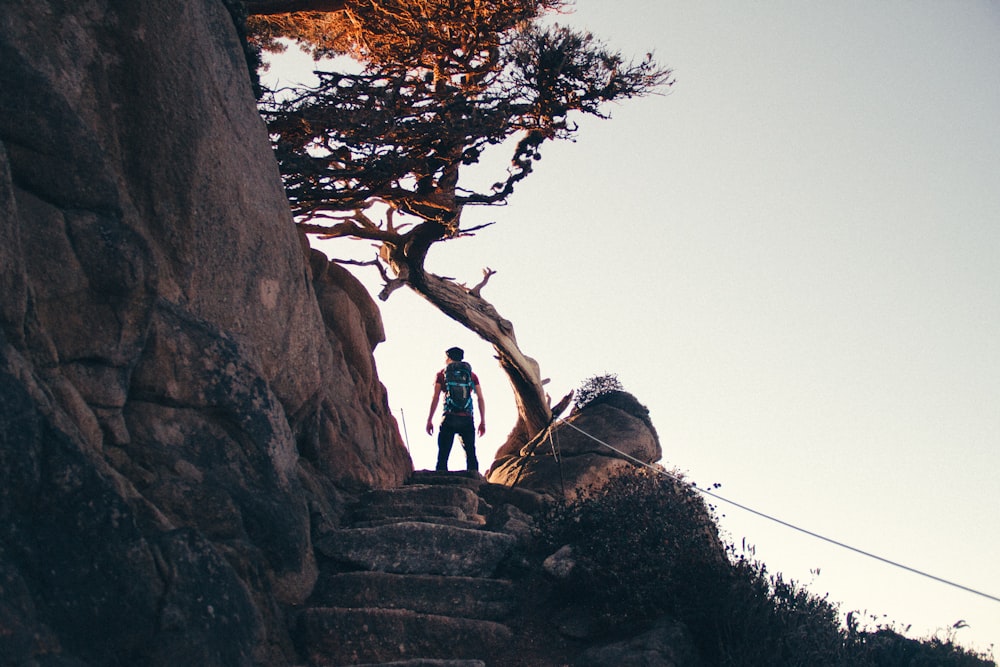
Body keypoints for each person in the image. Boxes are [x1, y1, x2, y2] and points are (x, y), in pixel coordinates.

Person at [426, 346, 486, 472]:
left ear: (448, 358)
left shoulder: (441, 374)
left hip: (449, 417)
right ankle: (475, 481)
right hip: (467, 418)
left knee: (443, 454)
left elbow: (435, 397)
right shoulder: (471, 375)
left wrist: (429, 420)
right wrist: (482, 421)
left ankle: (440, 482)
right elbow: (480, 398)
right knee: (470, 453)